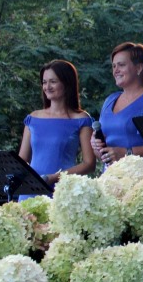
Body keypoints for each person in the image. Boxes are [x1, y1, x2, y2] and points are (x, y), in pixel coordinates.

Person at [18, 60, 97, 194]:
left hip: (63, 192)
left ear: (67, 84)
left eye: (53, 82)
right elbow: (22, 160)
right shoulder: (33, 118)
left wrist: (54, 178)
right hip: (31, 191)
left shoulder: (81, 119)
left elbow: (89, 164)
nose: (47, 87)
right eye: (44, 82)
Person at [92, 42, 143, 168]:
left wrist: (127, 152)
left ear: (139, 68)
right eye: (114, 66)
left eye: (121, 65)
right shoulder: (110, 100)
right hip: (111, 176)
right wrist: (96, 146)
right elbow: (103, 154)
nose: (115, 70)